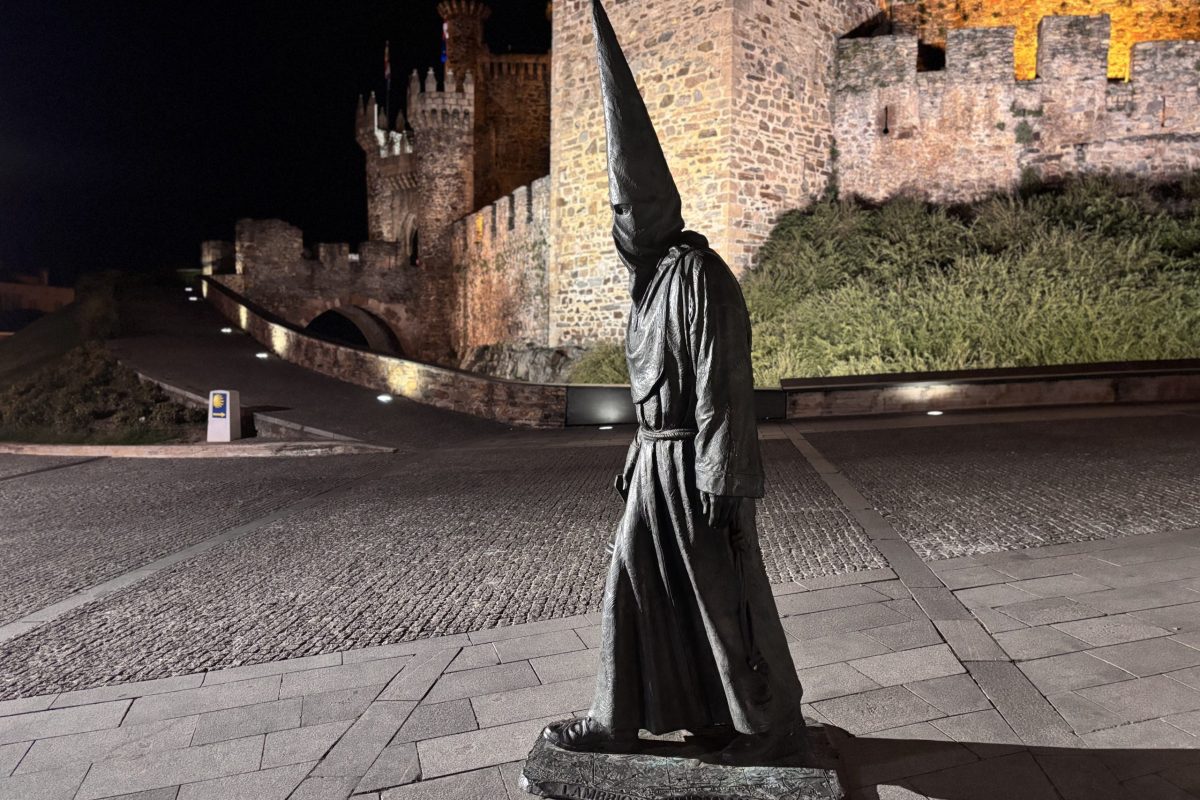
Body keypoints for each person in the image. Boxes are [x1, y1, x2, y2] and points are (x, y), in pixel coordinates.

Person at [542, 0, 806, 766]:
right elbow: (655, 391)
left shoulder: (698, 276)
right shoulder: (649, 285)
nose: (623, 220)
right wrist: (638, 449)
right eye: (617, 208)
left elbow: (723, 383)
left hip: (696, 465)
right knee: (634, 585)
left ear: (658, 205)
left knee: (723, 601)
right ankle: (619, 718)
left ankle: (762, 727)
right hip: (658, 462)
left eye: (631, 205)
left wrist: (721, 473)